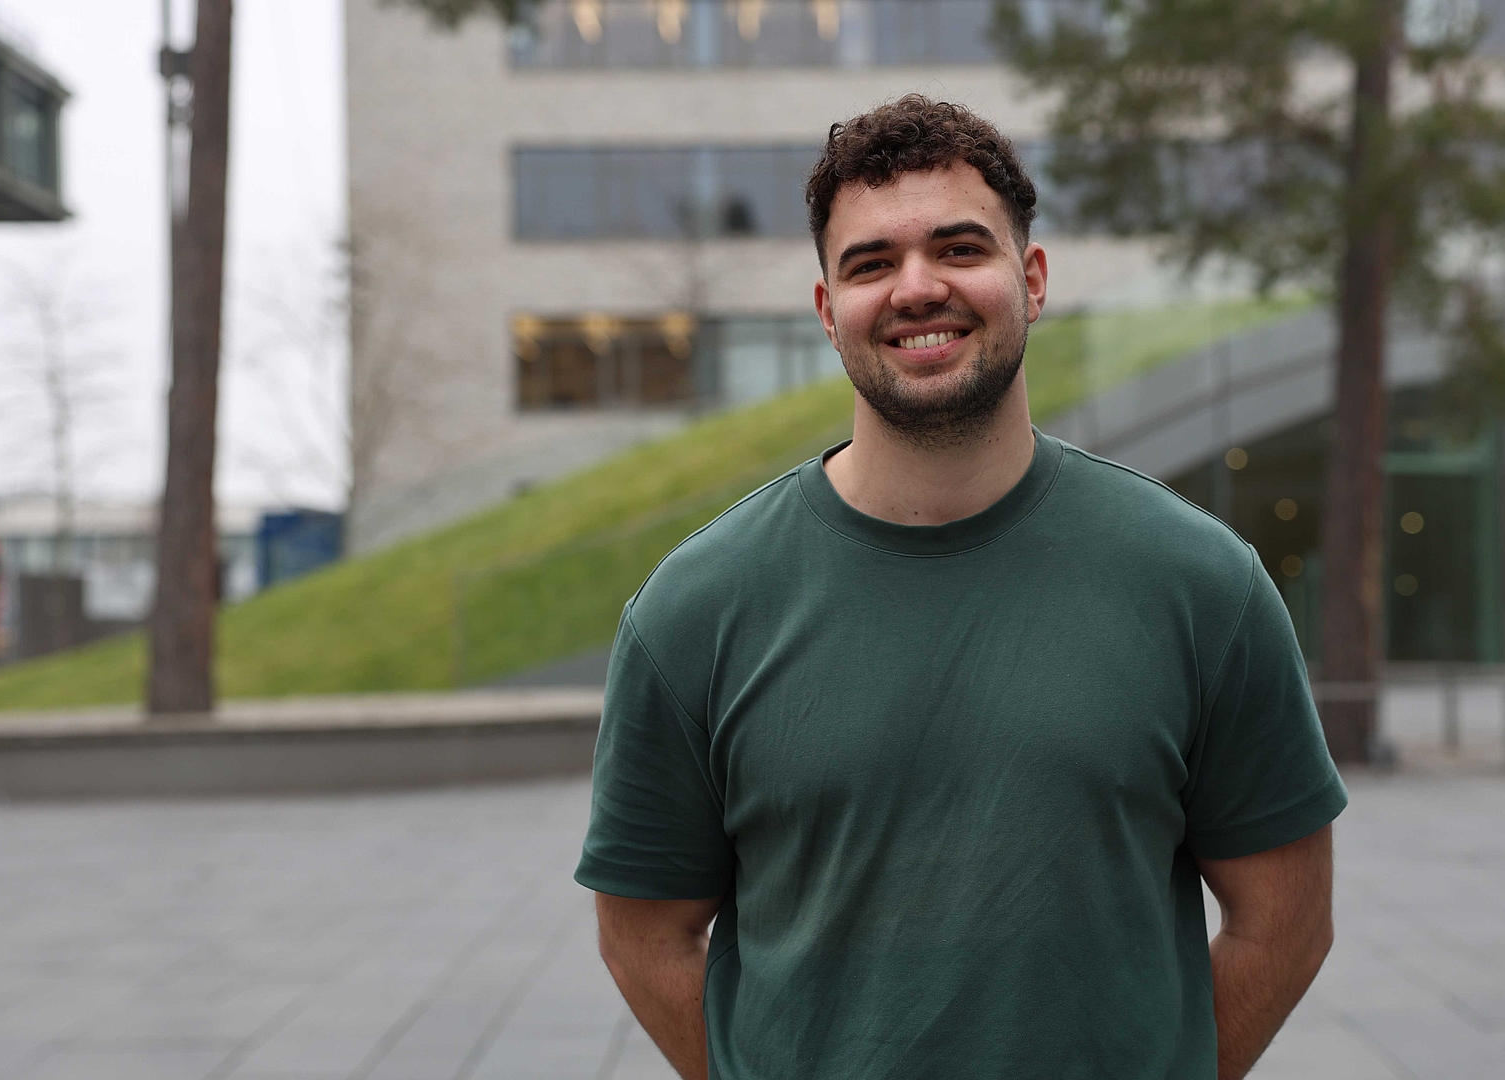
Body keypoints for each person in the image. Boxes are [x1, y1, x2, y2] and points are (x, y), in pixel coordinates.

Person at [576, 95, 1346, 1080]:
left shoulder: (1202, 586)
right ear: (827, 312)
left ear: (1030, 281)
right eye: (870, 264)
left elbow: (1285, 924)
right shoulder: (695, 611)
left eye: (959, 248)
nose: (916, 287)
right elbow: (642, 935)